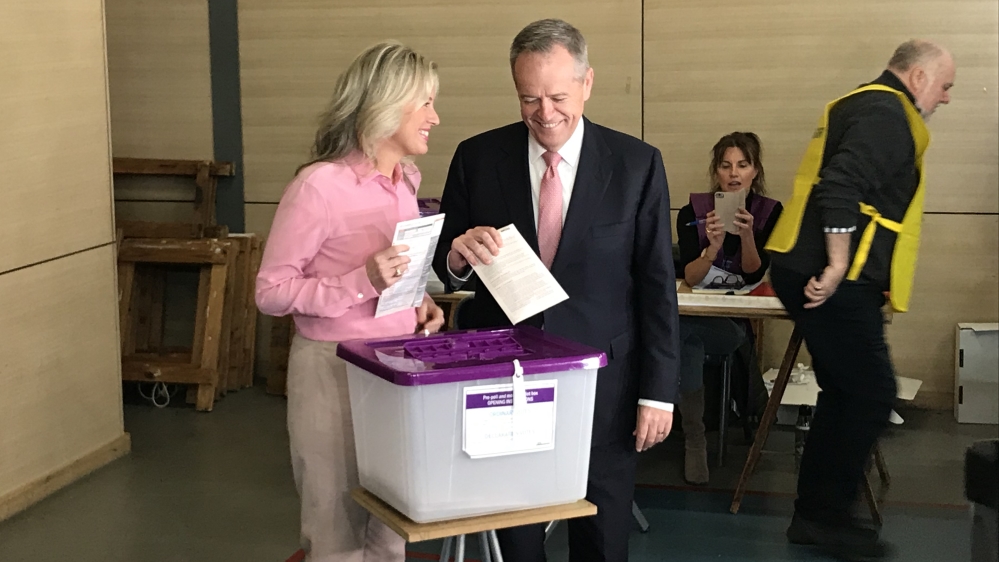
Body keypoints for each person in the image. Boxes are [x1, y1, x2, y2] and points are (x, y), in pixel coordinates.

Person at [431, 19, 679, 562]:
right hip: (507, 379)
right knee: (515, 534)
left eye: (558, 96)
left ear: (588, 83)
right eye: (529, 99)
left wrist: (657, 393)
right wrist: (456, 256)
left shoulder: (636, 165)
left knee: (603, 532)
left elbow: (658, 286)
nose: (545, 114)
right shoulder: (478, 157)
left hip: (604, 383)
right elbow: (446, 259)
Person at [255, 42, 445, 562]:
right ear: (387, 104)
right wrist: (361, 281)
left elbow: (395, 275)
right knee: (334, 527)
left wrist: (416, 304)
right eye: (425, 102)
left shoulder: (405, 181)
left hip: (398, 364)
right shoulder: (318, 186)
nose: (435, 116)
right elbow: (270, 292)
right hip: (331, 372)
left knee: (391, 524)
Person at [766, 39, 955, 559]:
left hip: (813, 270)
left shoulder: (863, 101)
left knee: (848, 394)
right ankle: (822, 516)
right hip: (830, 277)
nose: (944, 98)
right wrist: (837, 263)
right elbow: (841, 185)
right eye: (944, 86)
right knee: (871, 392)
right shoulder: (886, 111)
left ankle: (818, 515)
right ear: (917, 77)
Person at [675, 132, 782, 485]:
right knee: (683, 334)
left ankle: (693, 439)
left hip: (733, 325)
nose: (734, 174)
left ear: (755, 171)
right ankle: (694, 440)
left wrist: (748, 236)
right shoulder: (693, 210)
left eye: (742, 165)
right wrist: (712, 247)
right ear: (716, 171)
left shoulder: (769, 212)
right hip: (694, 314)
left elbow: (755, 272)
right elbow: (689, 276)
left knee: (681, 337)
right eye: (725, 165)